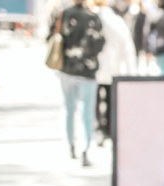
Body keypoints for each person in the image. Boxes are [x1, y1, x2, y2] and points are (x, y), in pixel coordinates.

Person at [49, 0, 106, 166]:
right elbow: (100, 43)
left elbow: (53, 36)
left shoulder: (64, 14)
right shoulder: (93, 18)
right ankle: (85, 148)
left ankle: (70, 145)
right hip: (87, 70)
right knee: (86, 110)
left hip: (67, 68)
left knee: (68, 107)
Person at [93, 0, 137, 146]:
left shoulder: (92, 18)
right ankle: (109, 129)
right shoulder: (117, 21)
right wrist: (131, 71)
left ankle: (99, 128)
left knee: (96, 99)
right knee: (111, 99)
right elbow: (128, 47)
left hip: (94, 68)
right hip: (113, 68)